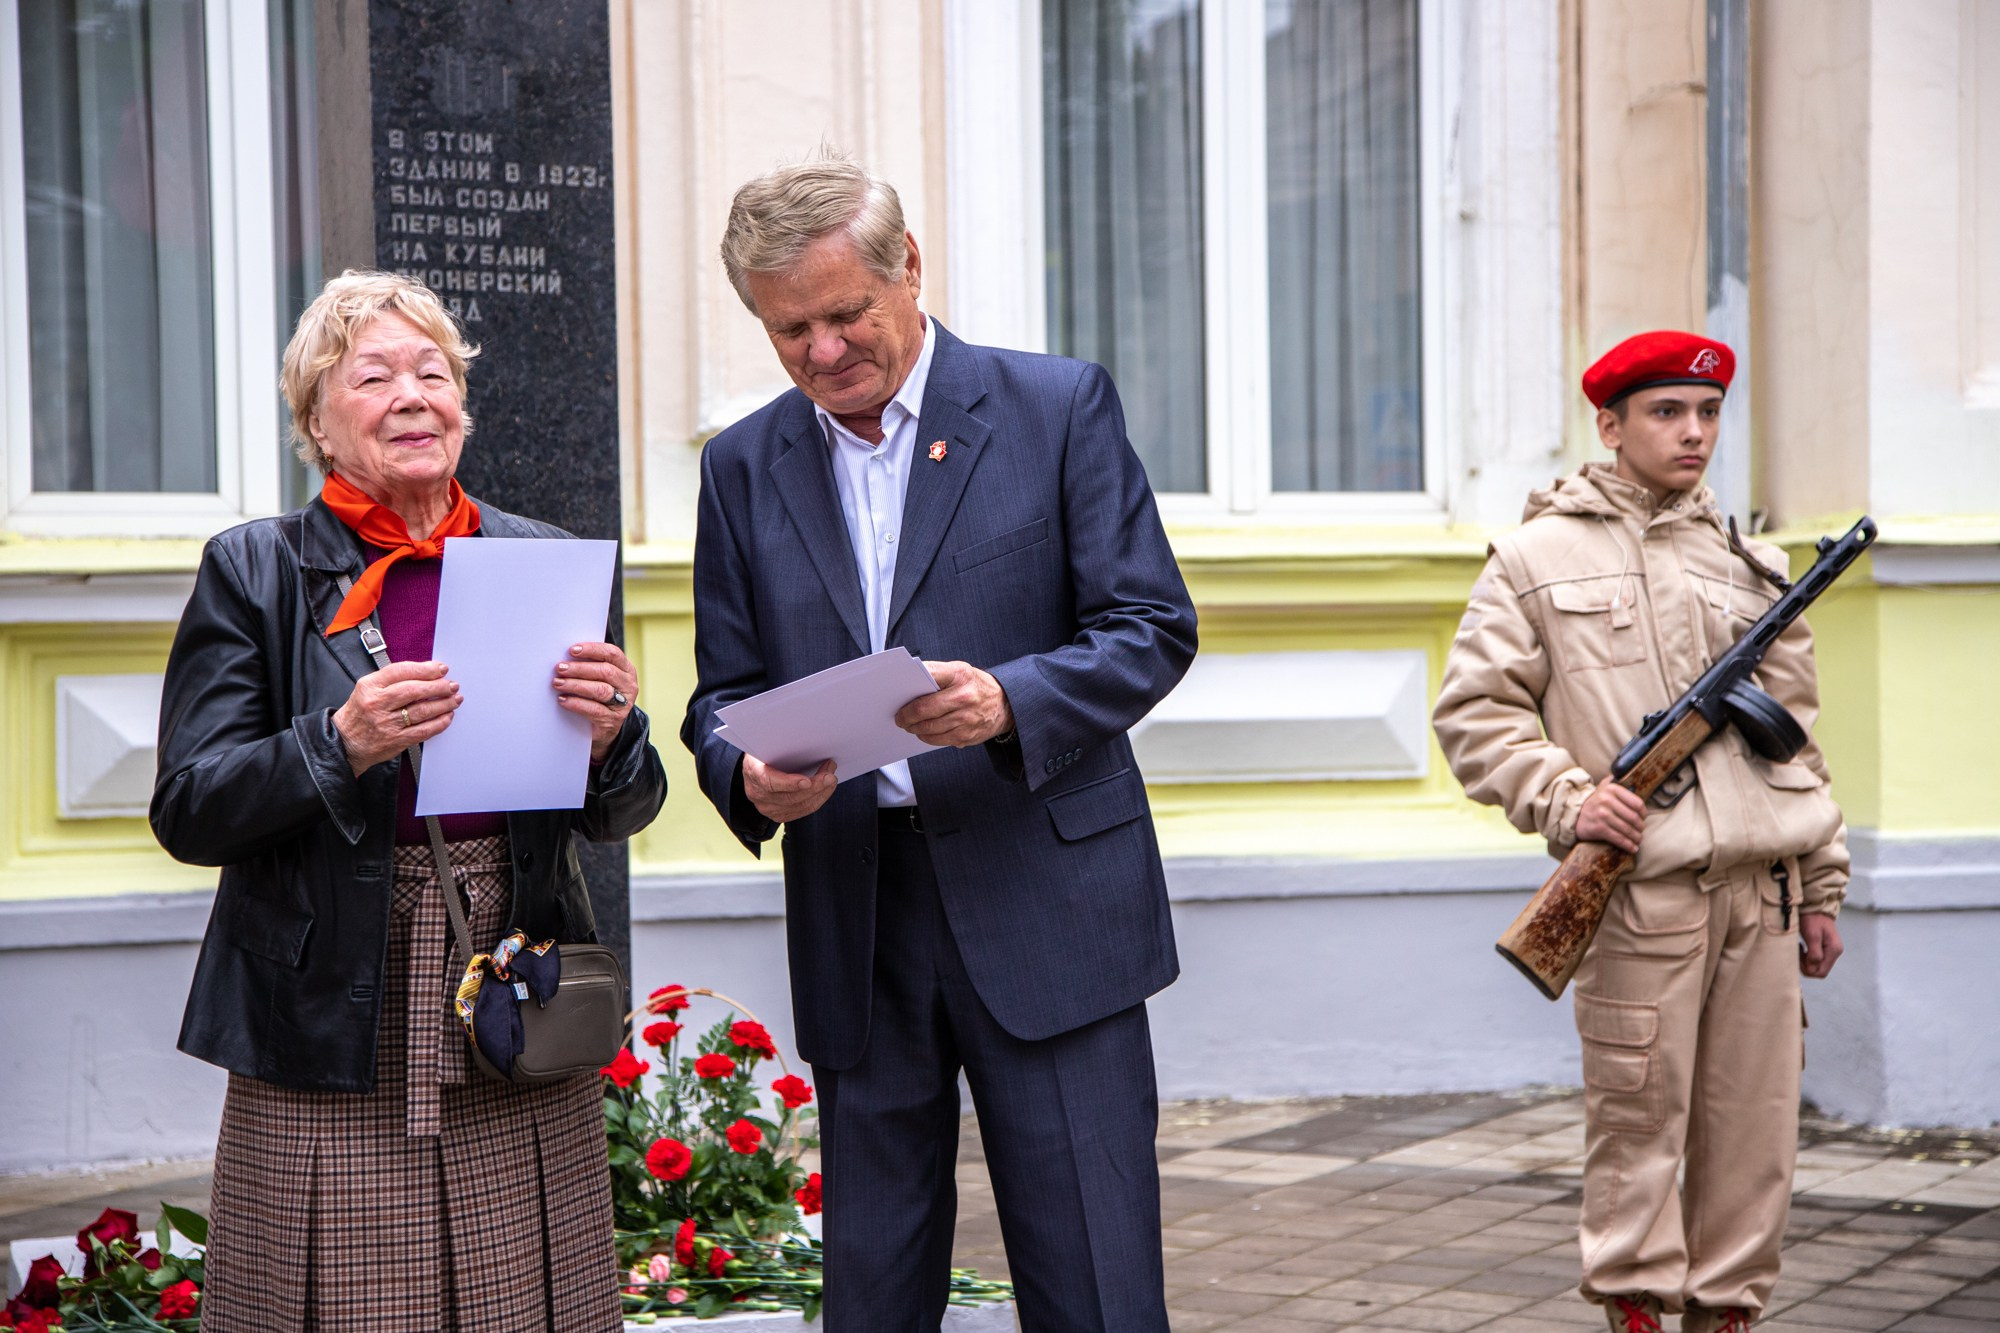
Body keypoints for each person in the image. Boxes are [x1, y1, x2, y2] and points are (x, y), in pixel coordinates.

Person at [682, 152, 1197, 1332]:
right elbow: (722, 695)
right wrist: (746, 773)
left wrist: (1012, 699)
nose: (820, 351)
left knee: (1093, 1281)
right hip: (860, 912)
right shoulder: (739, 466)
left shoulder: (1054, 406)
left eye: (844, 314)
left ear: (908, 269)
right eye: (787, 330)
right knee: (873, 1286)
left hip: (1043, 890)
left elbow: (1150, 627)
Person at [152, 270, 666, 1332]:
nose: (412, 395)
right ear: (317, 423)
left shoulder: (534, 557)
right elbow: (190, 805)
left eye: (433, 373)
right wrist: (336, 743)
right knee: (346, 1296)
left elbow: (619, 812)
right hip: (335, 990)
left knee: (524, 1295)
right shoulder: (259, 569)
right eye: (373, 375)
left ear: (463, 408)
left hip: (513, 981)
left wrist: (616, 739)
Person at [1433, 331, 1848, 1333]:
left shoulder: (1753, 567)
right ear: (1609, 425)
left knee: (1752, 1133)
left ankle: (1728, 1312)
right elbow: (1472, 713)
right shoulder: (1534, 559)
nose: (1693, 432)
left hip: (1761, 896)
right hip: (1638, 898)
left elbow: (1794, 740)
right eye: (1666, 412)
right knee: (1637, 1123)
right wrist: (1570, 800)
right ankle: (1634, 1310)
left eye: (1706, 414)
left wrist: (1821, 882)